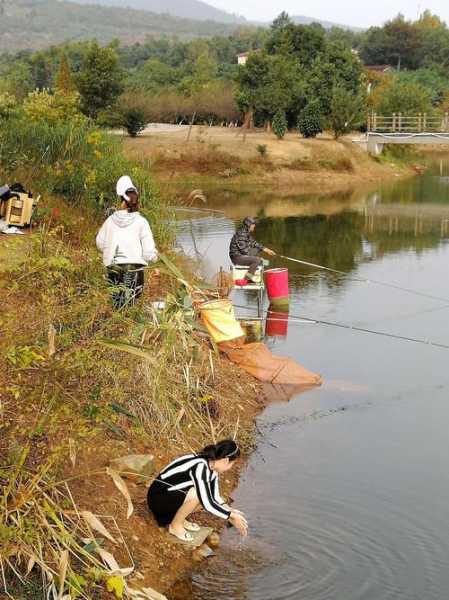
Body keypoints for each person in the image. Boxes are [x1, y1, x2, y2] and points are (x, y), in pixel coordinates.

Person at [147, 439, 248, 542]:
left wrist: (230, 511)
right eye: (232, 464)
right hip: (158, 499)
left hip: (171, 496)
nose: (231, 468)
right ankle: (175, 526)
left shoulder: (211, 467)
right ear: (226, 460)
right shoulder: (200, 467)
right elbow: (208, 504)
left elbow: (215, 497)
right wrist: (230, 516)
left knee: (203, 494)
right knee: (197, 495)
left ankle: (179, 519)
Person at [96, 175, 158, 308]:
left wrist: (111, 249)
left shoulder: (110, 221)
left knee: (118, 303)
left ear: (121, 200)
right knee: (131, 304)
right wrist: (155, 257)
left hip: (113, 268)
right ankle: (127, 324)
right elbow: (148, 253)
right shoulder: (142, 222)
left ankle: (118, 325)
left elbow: (100, 243)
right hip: (134, 269)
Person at [229, 217, 275, 283]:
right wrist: (259, 258)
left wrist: (266, 250)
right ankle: (246, 279)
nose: (254, 226)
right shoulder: (242, 234)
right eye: (253, 224)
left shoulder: (246, 232)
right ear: (248, 225)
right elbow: (245, 251)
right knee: (257, 260)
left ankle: (253, 273)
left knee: (257, 251)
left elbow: (254, 243)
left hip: (241, 255)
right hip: (236, 258)